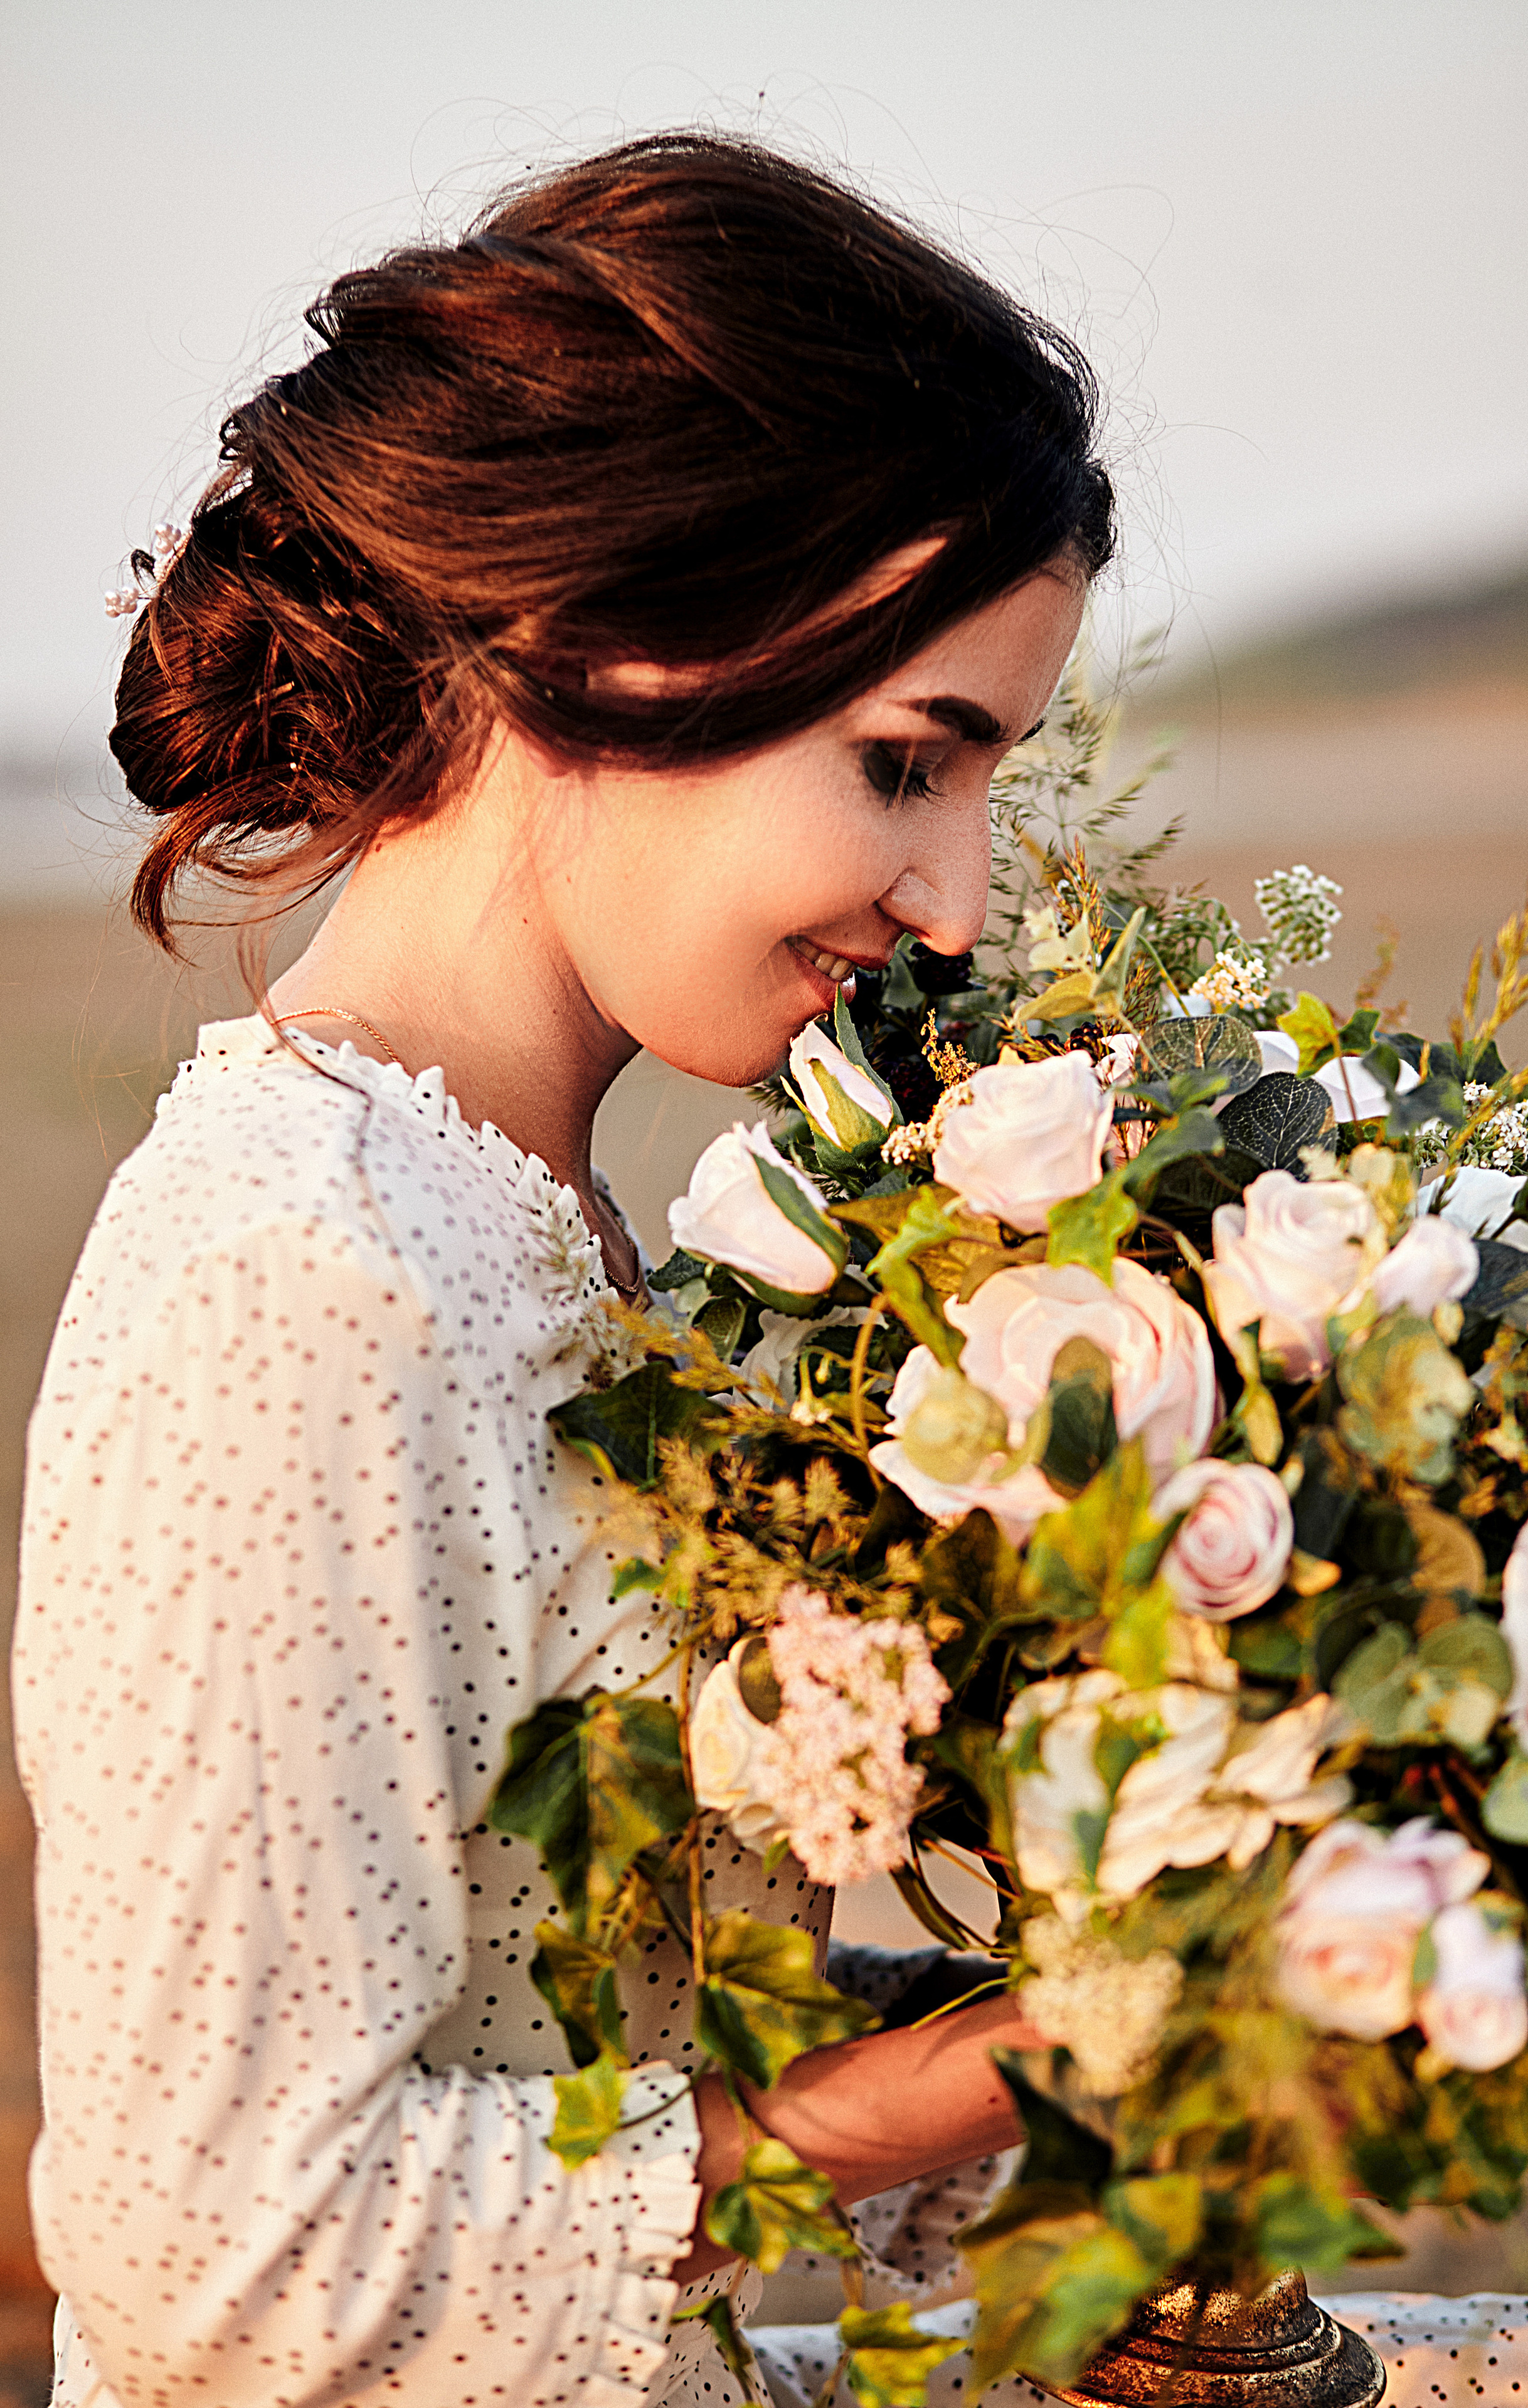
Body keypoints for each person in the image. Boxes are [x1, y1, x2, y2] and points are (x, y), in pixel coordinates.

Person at [16, 134, 1114, 2407]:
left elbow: (554, 2004)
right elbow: (220, 2259)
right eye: (906, 764)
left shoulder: (549, 1227)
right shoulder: (301, 1280)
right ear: (614, 645)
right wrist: (941, 2095)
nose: (959, 902)